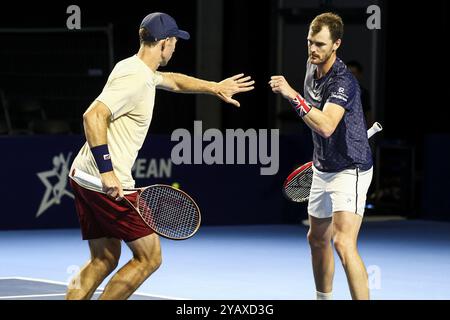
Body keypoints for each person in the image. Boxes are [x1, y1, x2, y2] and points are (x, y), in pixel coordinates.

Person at [67, 12, 254, 300]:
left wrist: (213, 87)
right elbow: (93, 116)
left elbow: (175, 82)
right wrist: (107, 171)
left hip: (82, 175)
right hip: (105, 181)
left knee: (103, 259)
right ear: (164, 42)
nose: (176, 46)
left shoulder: (136, 69)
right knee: (150, 257)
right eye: (175, 41)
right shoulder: (136, 79)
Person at [269, 12, 373, 300]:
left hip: (350, 167)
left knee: (342, 242)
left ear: (336, 44)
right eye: (309, 43)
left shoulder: (344, 82)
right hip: (323, 165)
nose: (313, 50)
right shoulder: (310, 65)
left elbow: (326, 126)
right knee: (317, 239)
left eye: (321, 45)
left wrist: (292, 95)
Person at [346, 60, 372, 126]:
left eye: (354, 73)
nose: (351, 75)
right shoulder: (337, 89)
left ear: (359, 74)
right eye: (348, 73)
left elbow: (367, 112)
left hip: (357, 127)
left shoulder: (363, 92)